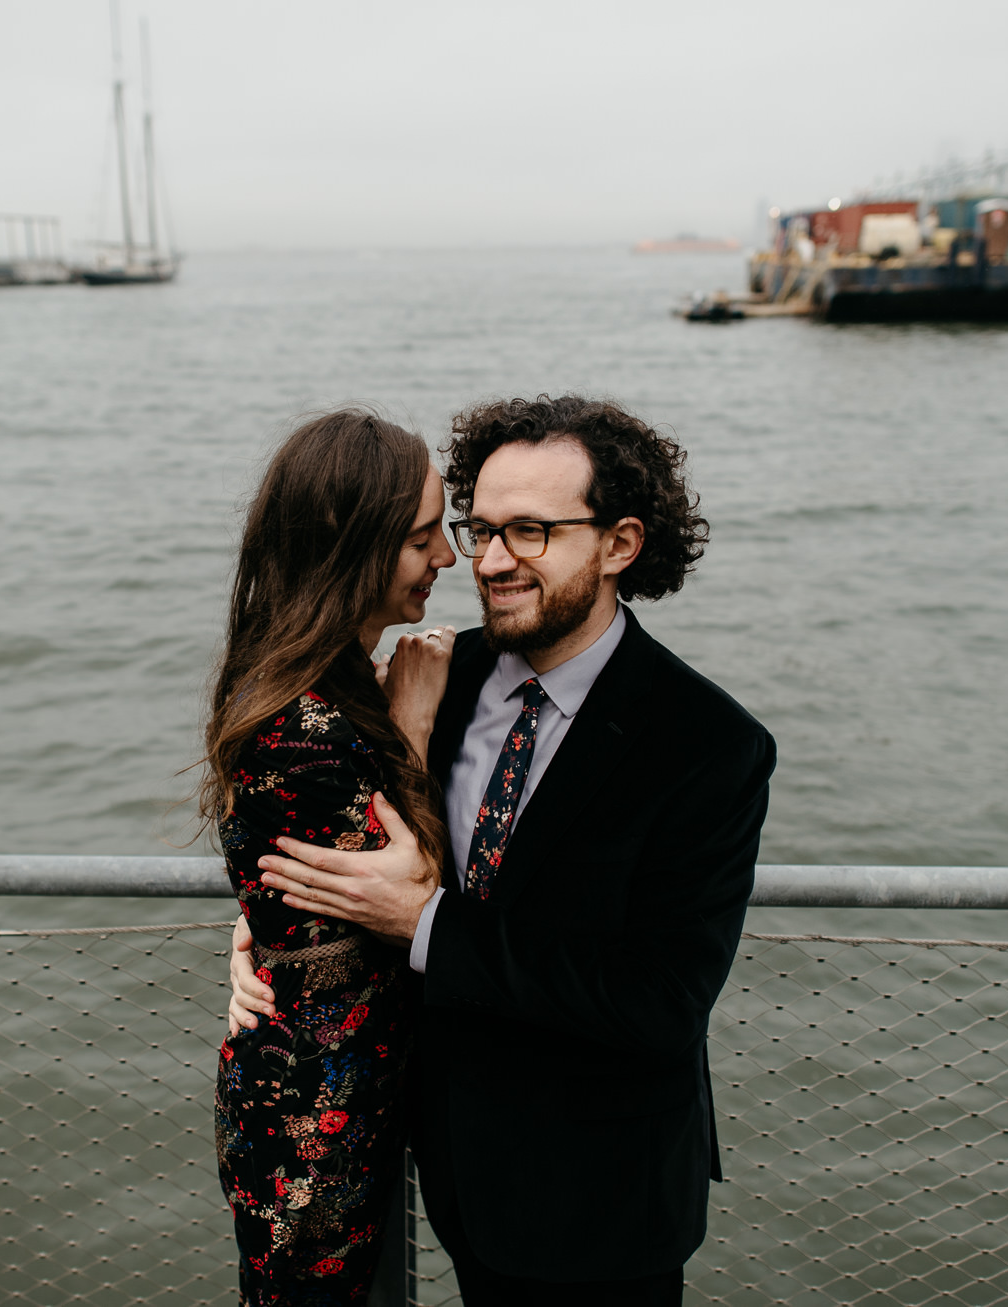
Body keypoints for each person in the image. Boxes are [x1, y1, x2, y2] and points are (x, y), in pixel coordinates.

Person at [231, 394, 776, 1306]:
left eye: (529, 531)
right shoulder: (428, 676)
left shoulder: (709, 746)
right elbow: (309, 821)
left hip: (599, 1200)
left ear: (620, 544)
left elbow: (658, 1003)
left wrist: (424, 924)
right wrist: (262, 939)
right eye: (476, 528)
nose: (486, 561)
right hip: (433, 1156)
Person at [202, 408, 461, 1306]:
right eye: (425, 539)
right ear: (348, 543)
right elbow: (414, 886)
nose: (450, 560)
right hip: (313, 1120)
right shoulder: (302, 726)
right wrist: (416, 724)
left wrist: (261, 935)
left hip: (329, 1092)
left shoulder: (317, 680)